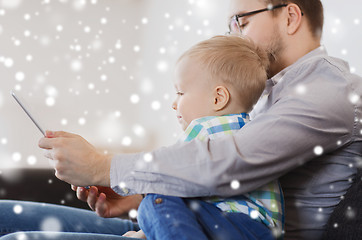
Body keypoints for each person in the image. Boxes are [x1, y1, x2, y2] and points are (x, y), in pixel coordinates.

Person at [1, 0, 361, 239]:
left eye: (242, 21)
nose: (233, 33)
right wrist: (135, 197)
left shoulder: (328, 89)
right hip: (190, 221)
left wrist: (104, 166)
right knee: (5, 214)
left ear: (290, 16)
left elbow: (227, 162)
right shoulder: (265, 91)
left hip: (226, 232)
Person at [135, 35, 282, 240]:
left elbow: (166, 180)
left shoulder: (205, 129)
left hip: (236, 224)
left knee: (155, 200)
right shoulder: (251, 132)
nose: (174, 103)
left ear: (218, 98)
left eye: (180, 92)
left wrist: (145, 229)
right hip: (262, 231)